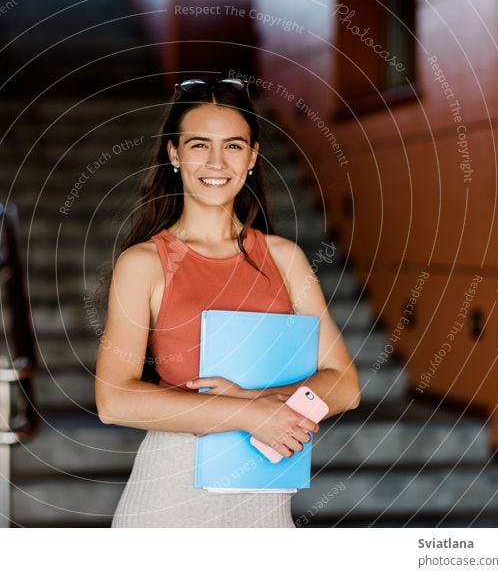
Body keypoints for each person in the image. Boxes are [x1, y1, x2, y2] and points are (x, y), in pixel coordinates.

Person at [93, 76, 360, 528]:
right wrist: (247, 412)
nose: (216, 161)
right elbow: (114, 399)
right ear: (174, 154)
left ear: (253, 156)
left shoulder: (284, 258)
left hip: (266, 496)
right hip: (170, 495)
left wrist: (259, 405)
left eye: (233, 146)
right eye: (199, 144)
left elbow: (346, 386)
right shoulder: (144, 263)